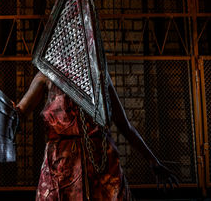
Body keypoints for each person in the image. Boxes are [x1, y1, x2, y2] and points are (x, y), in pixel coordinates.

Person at [15, 71, 179, 201]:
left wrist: (153, 161)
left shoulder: (99, 73)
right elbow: (20, 111)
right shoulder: (47, 74)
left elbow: (124, 125)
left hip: (100, 164)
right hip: (62, 167)